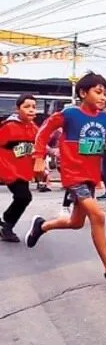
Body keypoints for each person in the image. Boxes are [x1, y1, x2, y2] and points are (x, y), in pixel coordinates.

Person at [27, 72, 106, 286]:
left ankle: (42, 226)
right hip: (73, 174)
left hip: (90, 176)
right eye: (98, 92)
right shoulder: (69, 114)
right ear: (83, 93)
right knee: (98, 214)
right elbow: (43, 131)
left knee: (76, 223)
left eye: (105, 93)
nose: (103, 97)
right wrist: (38, 158)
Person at [0, 95, 38, 242]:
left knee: (23, 197)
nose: (31, 110)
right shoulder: (8, 127)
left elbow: (38, 147)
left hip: (23, 171)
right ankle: (7, 226)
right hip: (7, 169)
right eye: (27, 107)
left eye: (34, 107)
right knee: (24, 196)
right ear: (18, 109)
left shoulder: (34, 128)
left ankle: (6, 225)